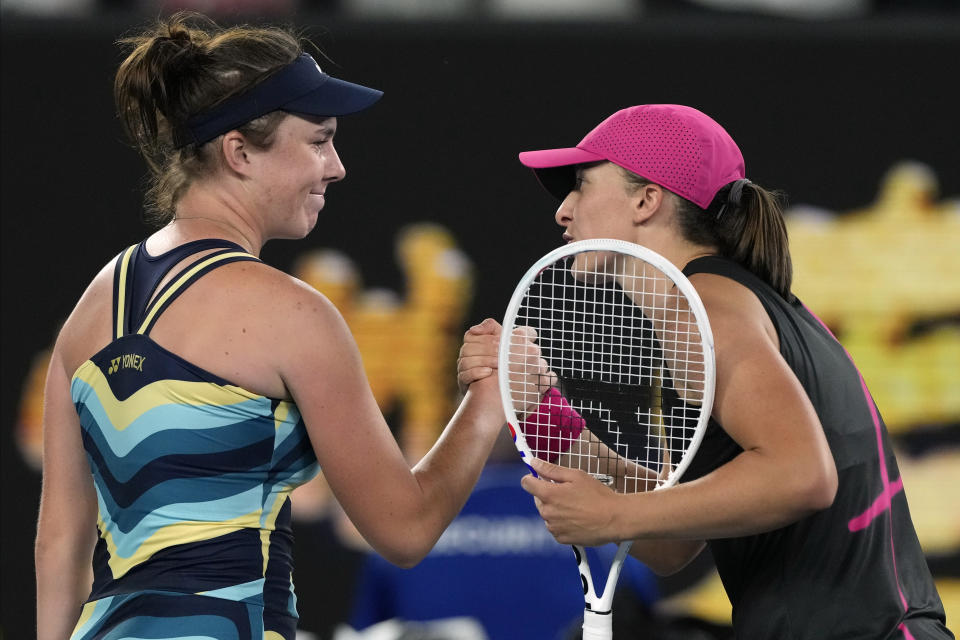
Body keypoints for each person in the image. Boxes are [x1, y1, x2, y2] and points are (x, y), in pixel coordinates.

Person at [34, 12, 504, 640]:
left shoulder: (88, 311)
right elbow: (406, 529)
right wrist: (486, 403)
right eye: (318, 140)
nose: (336, 167)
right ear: (239, 152)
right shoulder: (294, 316)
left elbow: (58, 547)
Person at [465, 104, 953, 638]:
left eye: (582, 184)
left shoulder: (702, 311)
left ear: (646, 199)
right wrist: (545, 414)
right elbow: (670, 544)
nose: (563, 210)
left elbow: (802, 476)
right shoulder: (719, 303)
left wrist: (611, 517)